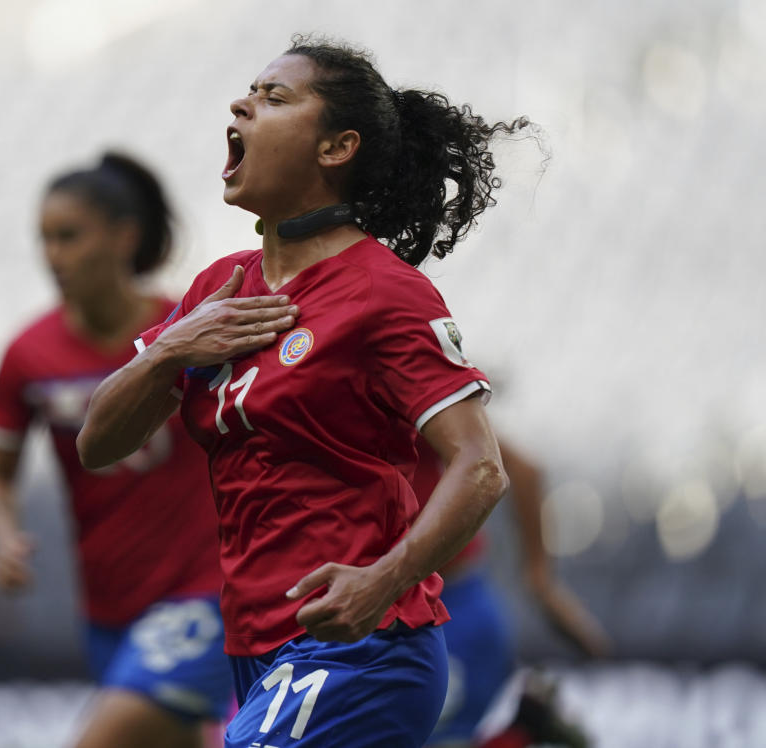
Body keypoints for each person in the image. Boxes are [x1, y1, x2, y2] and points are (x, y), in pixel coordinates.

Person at [77, 36, 526, 748]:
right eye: (250, 93)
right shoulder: (216, 291)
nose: (241, 104)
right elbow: (98, 442)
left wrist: (384, 579)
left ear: (335, 148)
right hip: (254, 643)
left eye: (274, 98)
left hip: (365, 645)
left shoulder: (384, 292)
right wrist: (169, 350)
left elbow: (482, 466)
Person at [0, 153, 232, 748]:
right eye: (43, 239)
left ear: (124, 237)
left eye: (68, 236)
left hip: (204, 589)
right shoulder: (28, 354)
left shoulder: (187, 329)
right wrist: (2, 538)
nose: (52, 255)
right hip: (109, 604)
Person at [418, 436, 610, 747]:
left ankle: (523, 734)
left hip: (450, 612)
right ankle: (526, 727)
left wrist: (541, 582)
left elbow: (520, 469)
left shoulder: (395, 389)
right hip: (386, 610)